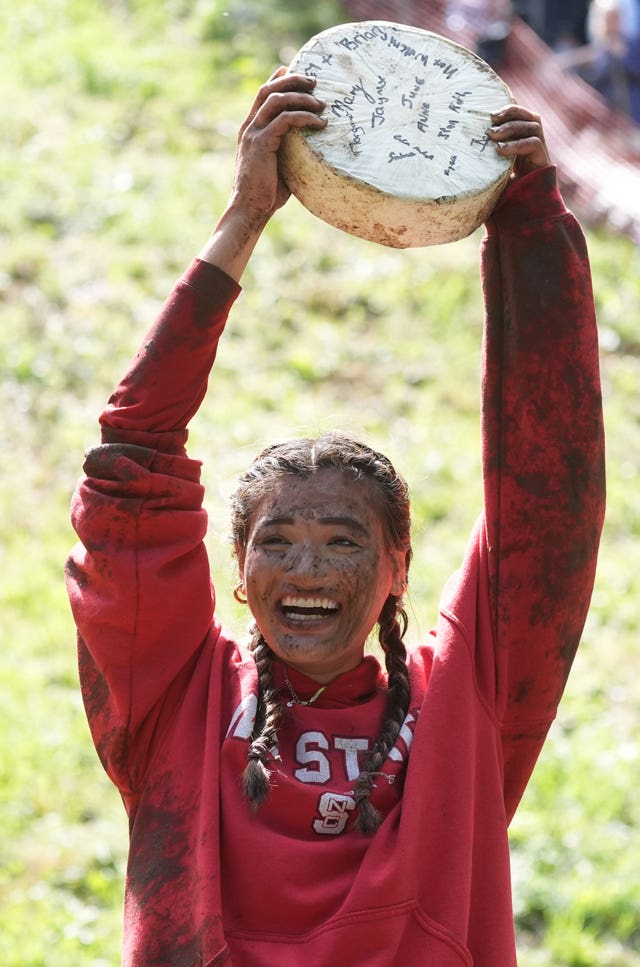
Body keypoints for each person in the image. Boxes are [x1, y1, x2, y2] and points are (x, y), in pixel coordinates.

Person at [65, 69, 606, 966]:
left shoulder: (464, 705)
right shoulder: (173, 700)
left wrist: (529, 232)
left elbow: (550, 492)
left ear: (399, 566)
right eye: (276, 541)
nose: (307, 569)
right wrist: (243, 220)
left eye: (343, 540)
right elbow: (128, 467)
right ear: (236, 571)